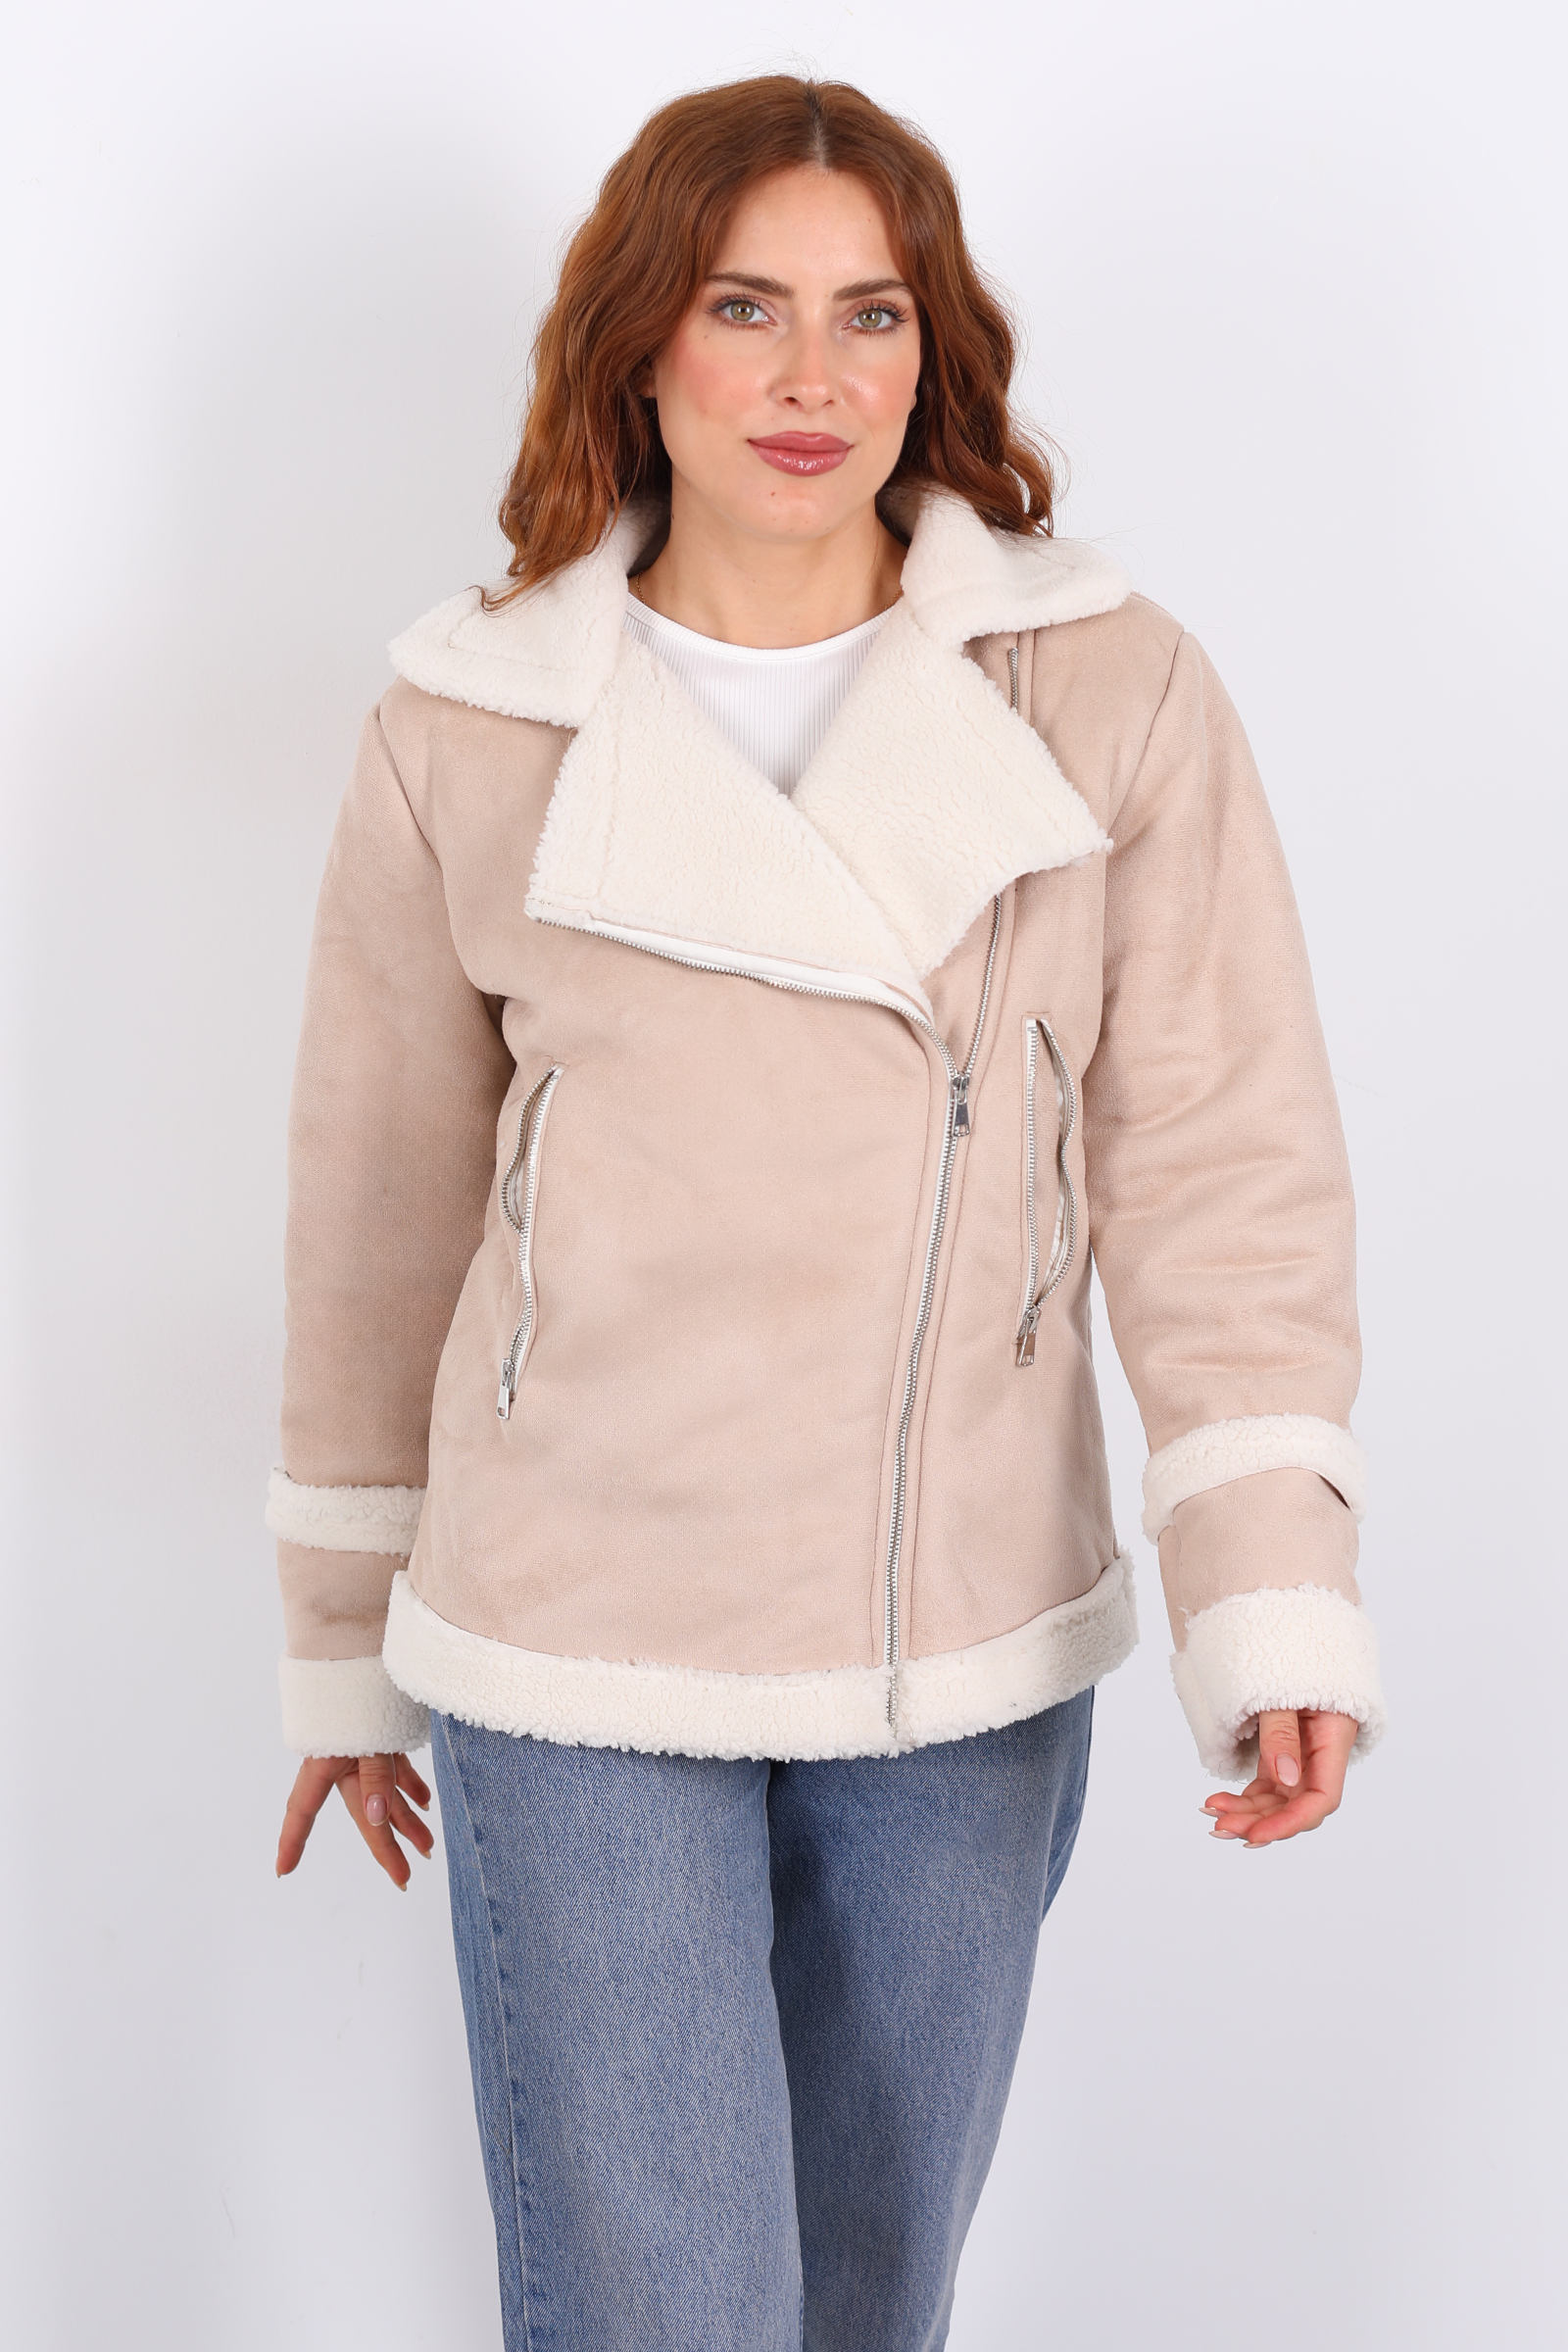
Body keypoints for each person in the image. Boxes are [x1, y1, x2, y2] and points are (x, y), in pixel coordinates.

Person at [270, 73, 1386, 2352]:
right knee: (663, 2313)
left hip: (954, 1628)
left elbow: (1219, 1159)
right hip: (577, 1631)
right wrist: (340, 1634)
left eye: (868, 314)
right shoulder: (470, 719)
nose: (810, 378)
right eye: (741, 306)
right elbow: (377, 1202)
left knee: (870, 2305)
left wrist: (1266, 1594)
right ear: (635, 343)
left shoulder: (1102, 688)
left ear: (928, 348)